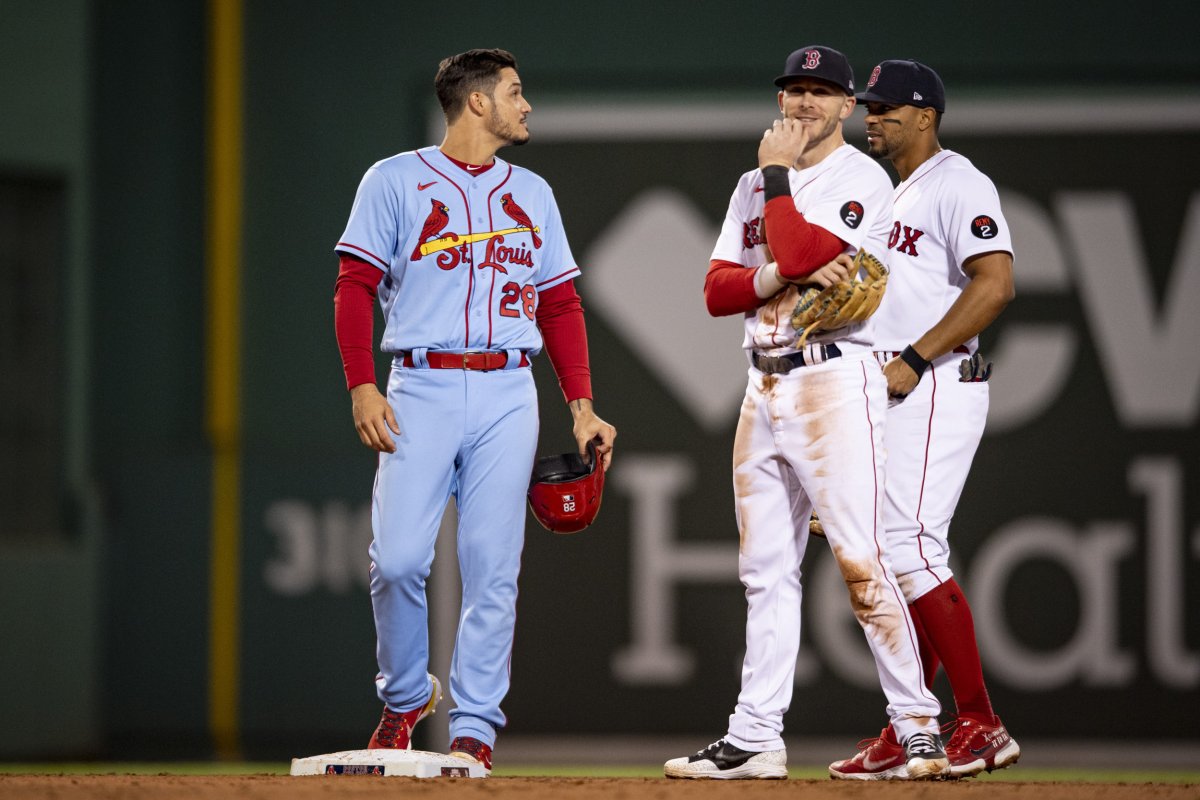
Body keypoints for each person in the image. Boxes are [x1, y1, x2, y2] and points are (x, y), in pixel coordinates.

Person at [663, 45, 947, 781]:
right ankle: (756, 735)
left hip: (835, 380)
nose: (805, 103)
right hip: (761, 385)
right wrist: (776, 270)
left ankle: (917, 725)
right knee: (764, 571)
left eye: (823, 92)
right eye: (795, 89)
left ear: (848, 107)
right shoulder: (750, 183)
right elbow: (719, 291)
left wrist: (780, 187)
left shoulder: (860, 178)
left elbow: (796, 241)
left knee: (861, 558)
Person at [332, 48, 616, 774]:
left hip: (507, 390)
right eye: (516, 93)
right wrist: (362, 383)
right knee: (396, 561)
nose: (526, 106)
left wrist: (581, 406)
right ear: (478, 102)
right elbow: (355, 284)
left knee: (493, 568)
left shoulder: (535, 193)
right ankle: (403, 699)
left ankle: (475, 729)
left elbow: (559, 303)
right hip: (420, 384)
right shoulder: (394, 179)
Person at [827, 59, 1018, 780]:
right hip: (885, 388)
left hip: (936, 378)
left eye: (887, 107)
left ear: (927, 115)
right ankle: (914, 727)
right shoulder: (885, 192)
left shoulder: (959, 182)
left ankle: (982, 721)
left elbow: (996, 284)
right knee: (890, 555)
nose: (872, 117)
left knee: (909, 546)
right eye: (869, 106)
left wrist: (912, 357)